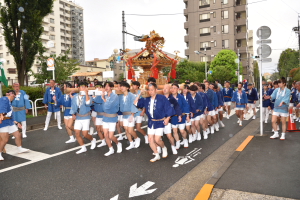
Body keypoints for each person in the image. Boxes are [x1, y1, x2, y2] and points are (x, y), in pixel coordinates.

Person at [134, 83, 175, 162]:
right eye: (149, 90)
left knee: (157, 140)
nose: (150, 92)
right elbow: (136, 103)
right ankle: (156, 154)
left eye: (152, 90)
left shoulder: (162, 98)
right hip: (151, 122)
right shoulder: (147, 99)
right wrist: (139, 94)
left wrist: (167, 118)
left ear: (156, 90)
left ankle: (164, 148)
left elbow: (169, 108)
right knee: (150, 139)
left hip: (160, 122)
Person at [0, 90, 29, 161]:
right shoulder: (4, 99)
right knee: (5, 139)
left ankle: (20, 148)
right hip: (3, 122)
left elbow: (10, 115)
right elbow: (1, 108)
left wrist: (17, 123)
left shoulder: (9, 102)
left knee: (18, 135)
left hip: (9, 121)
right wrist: (1, 115)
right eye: (14, 96)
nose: (14, 97)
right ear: (11, 94)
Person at [69, 82, 97, 154]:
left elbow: (88, 103)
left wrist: (87, 93)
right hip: (78, 117)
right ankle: (83, 147)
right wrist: (73, 114)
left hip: (86, 117)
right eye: (81, 87)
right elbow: (74, 106)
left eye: (84, 87)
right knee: (77, 133)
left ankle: (93, 139)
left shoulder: (88, 96)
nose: (83, 88)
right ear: (79, 88)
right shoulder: (75, 96)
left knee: (85, 134)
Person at [101, 82, 122, 156]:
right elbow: (102, 106)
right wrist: (103, 97)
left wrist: (103, 99)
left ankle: (118, 143)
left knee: (110, 136)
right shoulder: (105, 95)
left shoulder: (115, 96)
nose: (106, 87)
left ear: (112, 87)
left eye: (108, 86)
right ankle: (111, 149)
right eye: (105, 86)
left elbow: (108, 106)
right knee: (106, 135)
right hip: (105, 117)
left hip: (112, 117)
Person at [119, 82, 140, 150]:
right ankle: (131, 142)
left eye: (123, 86)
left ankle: (137, 138)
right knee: (126, 130)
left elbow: (133, 105)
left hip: (130, 114)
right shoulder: (121, 96)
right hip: (124, 115)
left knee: (130, 130)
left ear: (127, 88)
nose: (121, 87)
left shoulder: (131, 95)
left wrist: (132, 115)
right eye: (121, 86)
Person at [162, 84, 181, 154]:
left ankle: (173, 146)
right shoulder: (159, 97)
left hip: (168, 119)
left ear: (169, 90)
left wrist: (179, 115)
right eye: (164, 88)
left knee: (169, 135)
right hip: (159, 120)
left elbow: (177, 107)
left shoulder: (172, 99)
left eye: (166, 88)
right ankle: (160, 148)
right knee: (157, 136)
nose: (164, 89)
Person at [171, 83, 190, 149]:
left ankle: (185, 139)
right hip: (173, 117)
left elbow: (186, 106)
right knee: (174, 131)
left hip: (181, 116)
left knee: (182, 130)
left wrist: (187, 115)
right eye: (172, 88)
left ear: (178, 89)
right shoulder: (169, 97)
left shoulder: (181, 97)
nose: (173, 89)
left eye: (174, 88)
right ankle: (178, 142)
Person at [92, 83, 106, 148]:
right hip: (98, 115)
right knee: (98, 129)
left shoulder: (105, 95)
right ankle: (103, 141)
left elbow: (98, 101)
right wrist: (94, 93)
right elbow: (92, 101)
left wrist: (95, 97)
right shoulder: (95, 95)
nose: (99, 89)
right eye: (97, 88)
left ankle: (108, 139)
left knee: (104, 130)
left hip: (104, 115)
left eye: (100, 88)